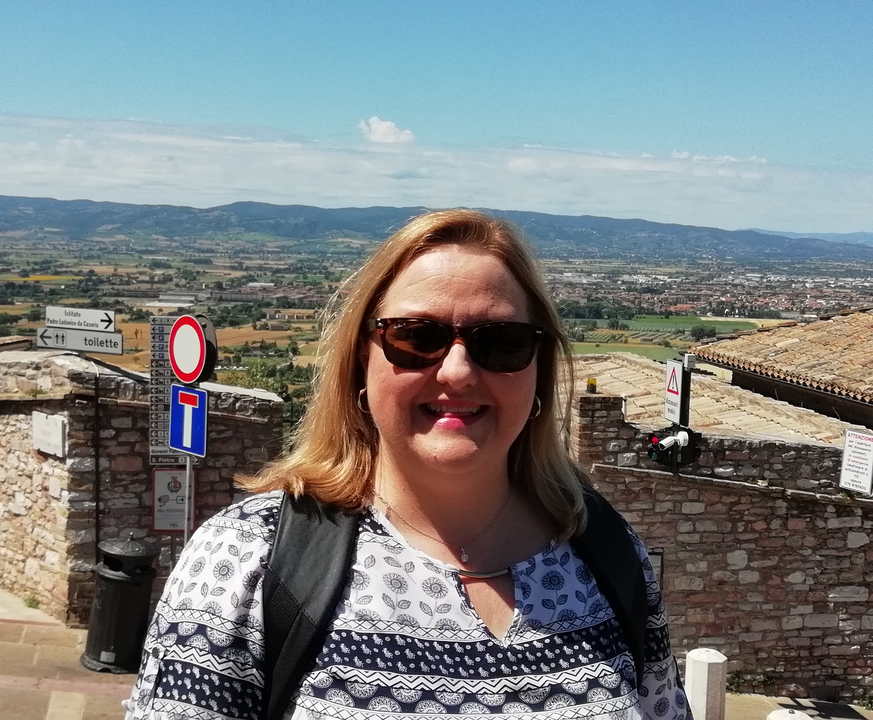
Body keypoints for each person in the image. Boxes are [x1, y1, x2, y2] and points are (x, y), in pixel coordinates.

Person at [125, 210, 691, 720]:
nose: (458, 372)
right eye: (417, 337)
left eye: (502, 342)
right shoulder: (245, 560)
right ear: (359, 365)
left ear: (538, 368)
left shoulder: (606, 551)